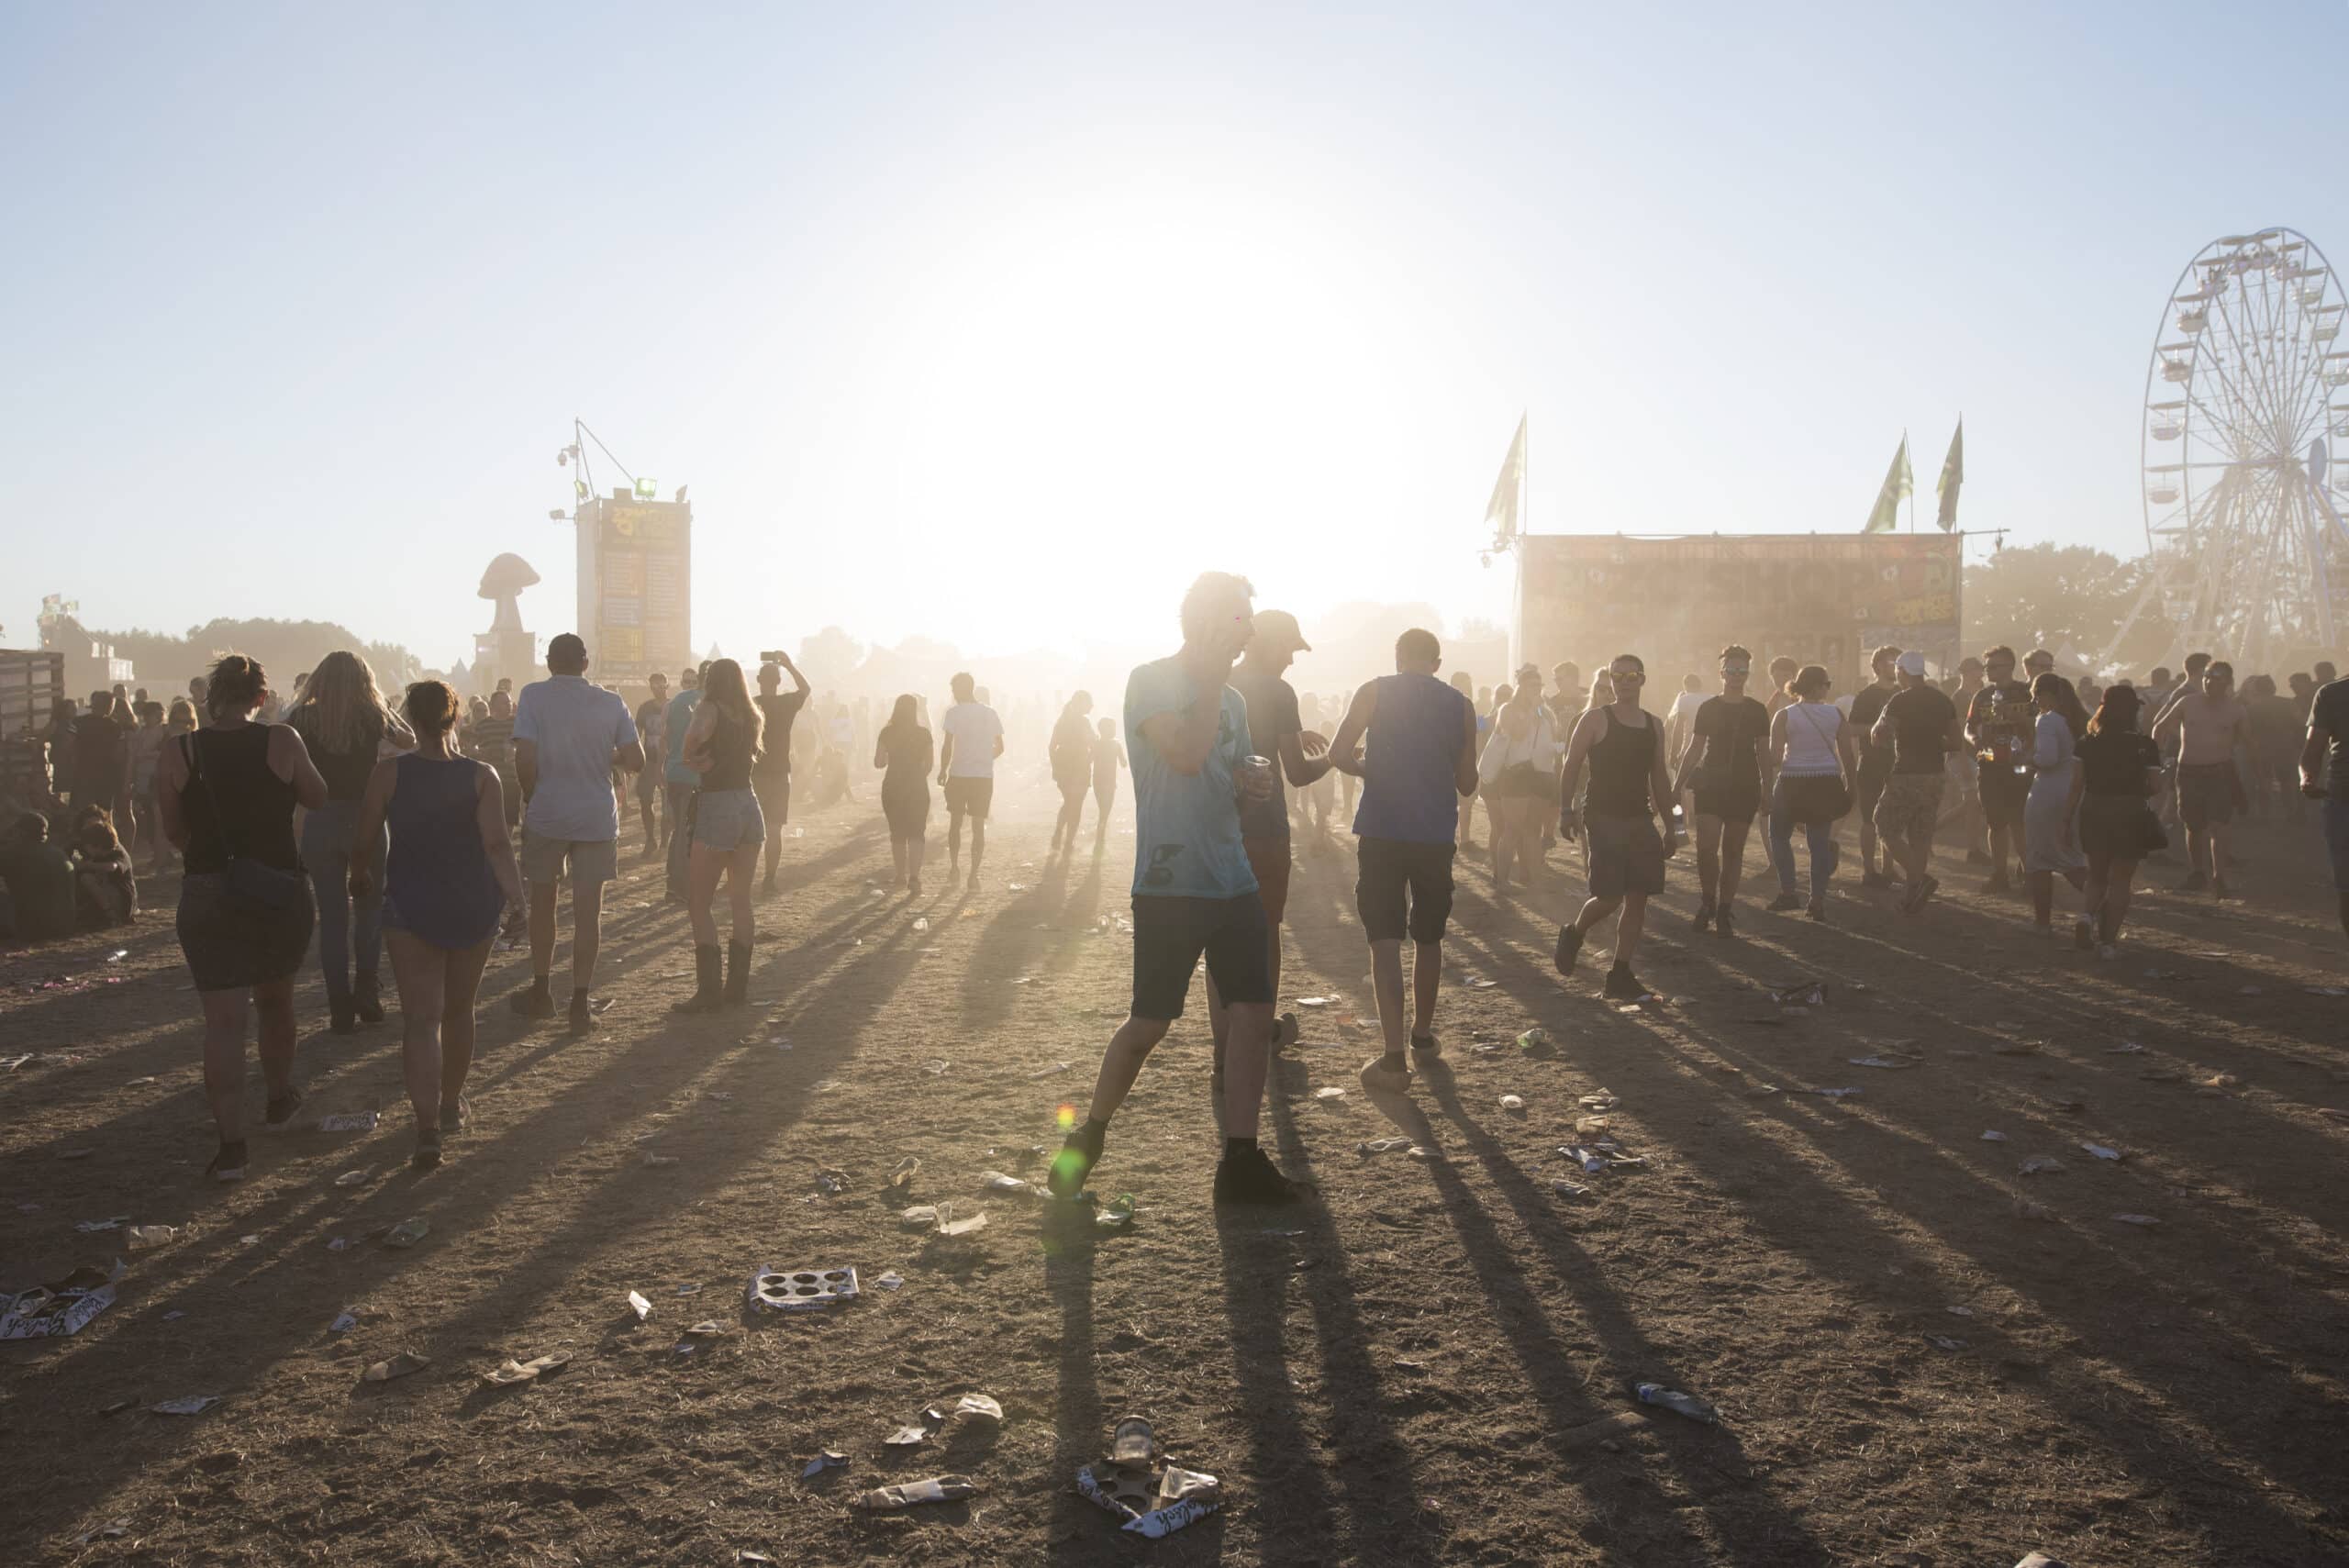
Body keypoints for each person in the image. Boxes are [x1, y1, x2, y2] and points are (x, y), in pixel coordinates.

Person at [1049, 572, 1303, 1207]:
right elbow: (1186, 754)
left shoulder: (1237, 703)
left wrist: (1251, 788)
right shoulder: (1151, 681)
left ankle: (1239, 1158)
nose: (1247, 630)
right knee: (1150, 1023)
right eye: (1238, 618)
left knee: (1253, 1011)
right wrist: (1214, 683)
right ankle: (1092, 1133)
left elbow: (1225, 774)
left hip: (1232, 876)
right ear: (1204, 621)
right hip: (1170, 881)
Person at [154, 654, 328, 1182]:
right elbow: (318, 797)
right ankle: (279, 1098)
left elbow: (172, 830)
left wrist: (208, 858)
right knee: (276, 1002)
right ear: (260, 697)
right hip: (276, 885)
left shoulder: (179, 750)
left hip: (208, 890)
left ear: (210, 696)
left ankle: (232, 1145)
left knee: (223, 1024)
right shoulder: (281, 741)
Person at [350, 681, 522, 1169]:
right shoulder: (481, 776)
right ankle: (450, 1104)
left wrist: (358, 874)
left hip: (410, 904)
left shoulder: (388, 775)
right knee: (461, 1010)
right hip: (473, 903)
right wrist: (518, 900)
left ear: (412, 721)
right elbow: (498, 845)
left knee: (421, 1020)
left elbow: (363, 838)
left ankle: (426, 1128)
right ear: (457, 718)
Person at [509, 634, 645, 1033]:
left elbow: (524, 756)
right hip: (595, 816)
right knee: (589, 913)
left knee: (543, 904)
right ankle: (581, 1002)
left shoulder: (533, 696)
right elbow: (636, 759)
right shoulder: (611, 702)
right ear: (586, 663)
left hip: (549, 812)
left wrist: (532, 796)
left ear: (550, 663)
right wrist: (606, 754)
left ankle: (541, 990)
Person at [1217, 609, 1335, 1063]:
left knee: (1222, 935)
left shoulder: (1222, 682)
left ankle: (1223, 1047)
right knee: (1266, 930)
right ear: (1267, 644)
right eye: (1288, 648)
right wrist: (1339, 757)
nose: (1291, 660)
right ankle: (1263, 1033)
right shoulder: (1279, 691)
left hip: (1219, 825)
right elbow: (1300, 773)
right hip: (1264, 826)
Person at [288, 651, 416, 1034]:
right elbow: (408, 740)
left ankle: (338, 1005)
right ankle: (367, 987)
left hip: (320, 818)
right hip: (367, 819)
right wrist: (380, 707)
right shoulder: (371, 714)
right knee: (370, 909)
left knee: (331, 919)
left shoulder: (303, 717)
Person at [1553, 653, 1678, 1000]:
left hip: (1640, 816)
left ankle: (1620, 973)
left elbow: (1660, 778)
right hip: (1602, 815)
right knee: (1610, 897)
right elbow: (1571, 765)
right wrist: (1565, 811)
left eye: (1631, 675)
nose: (1623, 681)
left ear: (1642, 679)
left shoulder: (1653, 725)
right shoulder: (1595, 719)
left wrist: (1673, 826)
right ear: (1610, 679)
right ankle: (1574, 933)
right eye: (1617, 675)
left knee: (1639, 897)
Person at [674, 658, 766, 1012]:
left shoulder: (708, 709)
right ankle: (737, 989)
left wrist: (700, 762)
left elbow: (688, 749)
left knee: (699, 902)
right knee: (741, 899)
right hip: (749, 804)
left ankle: (709, 991)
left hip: (717, 804)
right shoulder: (751, 714)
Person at [1675, 645, 1767, 934]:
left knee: (1733, 851)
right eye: (1732, 670)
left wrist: (1769, 789)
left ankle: (1725, 910)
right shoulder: (1709, 708)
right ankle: (1707, 901)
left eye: (1742, 671)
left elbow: (1764, 753)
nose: (1737, 675)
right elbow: (1694, 748)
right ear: (1722, 673)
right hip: (1711, 784)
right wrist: (1677, 785)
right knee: (1706, 848)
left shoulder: (1757, 710)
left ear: (1747, 674)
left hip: (1745, 784)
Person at [2071, 685, 2166, 956]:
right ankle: (2108, 943)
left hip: (2094, 809)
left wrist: (2066, 818)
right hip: (2130, 811)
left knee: (2097, 874)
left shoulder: (2087, 742)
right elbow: (2156, 786)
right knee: (2121, 880)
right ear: (2134, 711)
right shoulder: (2145, 745)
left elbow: (2076, 784)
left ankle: (2086, 917)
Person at [1764, 664, 1855, 919]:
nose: (1828, 689)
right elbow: (1848, 755)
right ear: (1817, 686)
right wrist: (1851, 786)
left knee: (1778, 835)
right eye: (1827, 684)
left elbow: (1774, 757)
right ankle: (1817, 901)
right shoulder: (1836, 714)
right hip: (1826, 780)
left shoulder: (1784, 715)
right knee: (1819, 844)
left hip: (1792, 779)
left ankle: (1788, 891)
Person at [1871, 651, 1961, 912]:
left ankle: (1919, 879)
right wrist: (1933, 742)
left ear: (1901, 672)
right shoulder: (1943, 701)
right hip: (1935, 775)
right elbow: (1955, 743)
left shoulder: (1899, 701)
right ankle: (1911, 897)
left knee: (1884, 826)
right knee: (1920, 836)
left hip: (1907, 772)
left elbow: (1880, 736)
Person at [2153, 658, 2249, 899]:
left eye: (2215, 678)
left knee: (2219, 825)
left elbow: (2248, 742)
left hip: (2220, 772)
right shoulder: (2188, 702)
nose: (2209, 682)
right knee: (2193, 825)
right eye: (2206, 676)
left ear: (2227, 682)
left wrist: (2252, 771)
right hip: (2189, 771)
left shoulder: (2236, 709)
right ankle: (2198, 873)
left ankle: (2219, 876)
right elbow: (2159, 727)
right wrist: (2158, 758)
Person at [2024, 670, 2090, 937]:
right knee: (2071, 855)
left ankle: (2042, 922)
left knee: (2040, 860)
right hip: (2075, 791)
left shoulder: (2048, 721)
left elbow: (2047, 758)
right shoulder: (2080, 719)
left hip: (2048, 792)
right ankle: (2101, 905)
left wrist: (2026, 758)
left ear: (2044, 695)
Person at [1477, 678, 1557, 894]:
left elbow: (1548, 738)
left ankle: (1534, 880)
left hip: (1541, 775)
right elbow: (1518, 734)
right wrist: (1531, 711)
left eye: (1538, 687)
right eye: (1531, 686)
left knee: (1533, 830)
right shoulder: (1506, 710)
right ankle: (1501, 879)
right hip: (1516, 775)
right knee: (1510, 829)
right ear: (1521, 688)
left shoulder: (1545, 713)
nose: (1536, 691)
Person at [937, 673, 1004, 887]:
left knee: (955, 824)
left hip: (958, 775)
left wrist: (943, 770)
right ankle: (973, 874)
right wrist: (983, 759)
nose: (953, 695)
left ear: (962, 689)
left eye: (955, 690)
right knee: (977, 826)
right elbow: (1000, 747)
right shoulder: (989, 713)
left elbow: (948, 745)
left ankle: (955, 867)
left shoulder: (954, 714)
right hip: (982, 777)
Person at [752, 657, 812, 892]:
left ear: (759, 680)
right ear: (778, 682)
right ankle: (769, 877)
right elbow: (805, 689)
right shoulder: (787, 704)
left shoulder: (751, 704)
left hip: (755, 771)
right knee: (775, 828)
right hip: (780, 773)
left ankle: (742, 875)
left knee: (750, 829)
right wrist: (788, 664)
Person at [1848, 645, 1902, 887]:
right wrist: (1878, 728)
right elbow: (1852, 728)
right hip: (1871, 764)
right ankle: (1869, 870)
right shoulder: (1866, 695)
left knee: (1893, 820)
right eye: (1892, 661)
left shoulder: (1905, 693)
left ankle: (1889, 868)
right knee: (1870, 820)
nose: (1895, 665)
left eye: (1899, 661)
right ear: (1878, 665)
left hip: (1900, 765)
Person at [874, 695, 933, 893]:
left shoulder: (887, 732)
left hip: (892, 786)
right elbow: (929, 765)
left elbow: (878, 762)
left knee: (897, 833)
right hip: (917, 787)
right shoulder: (924, 734)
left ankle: (900, 875)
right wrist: (916, 775)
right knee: (917, 832)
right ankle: (915, 877)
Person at [0, 811, 78, 941]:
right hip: (64, 925)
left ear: (19, 832)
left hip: (33, 928)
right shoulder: (59, 853)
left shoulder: (11, 853)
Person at [662, 664, 703, 900]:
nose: (688, 684)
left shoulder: (675, 703)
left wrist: (662, 768)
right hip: (692, 776)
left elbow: (665, 739)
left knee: (680, 830)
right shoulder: (708, 704)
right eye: (685, 680)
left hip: (676, 772)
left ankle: (674, 883)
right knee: (688, 832)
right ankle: (681, 885)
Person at [1049, 692, 1098, 857]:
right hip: (1079, 769)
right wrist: (1089, 760)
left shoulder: (1062, 721)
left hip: (1063, 769)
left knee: (1069, 802)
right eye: (1089, 703)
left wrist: (1055, 767)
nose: (1091, 706)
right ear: (1081, 704)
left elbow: (1051, 747)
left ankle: (1058, 833)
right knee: (1075, 806)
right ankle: (1068, 843)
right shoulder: (1083, 722)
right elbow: (1094, 744)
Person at [71, 806, 138, 928]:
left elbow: (113, 866)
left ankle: (109, 913)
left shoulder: (115, 849)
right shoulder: (82, 843)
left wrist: (87, 865)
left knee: (87, 878)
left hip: (121, 899)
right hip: (108, 894)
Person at [128, 700, 169, 871]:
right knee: (148, 817)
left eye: (150, 715)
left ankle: (163, 854)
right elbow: (135, 754)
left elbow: (164, 752)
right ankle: (157, 851)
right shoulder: (141, 732)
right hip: (142, 778)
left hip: (155, 776)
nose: (147, 718)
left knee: (157, 817)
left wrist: (148, 754)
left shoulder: (164, 731)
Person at [632, 672, 670, 855]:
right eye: (654, 686)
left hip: (668, 761)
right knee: (646, 801)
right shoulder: (644, 708)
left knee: (667, 804)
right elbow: (637, 735)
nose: (657, 689)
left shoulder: (674, 706)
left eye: (661, 685)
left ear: (667, 685)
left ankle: (664, 842)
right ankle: (650, 839)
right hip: (649, 761)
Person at [1089, 715, 1126, 851]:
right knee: (1105, 807)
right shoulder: (1115, 744)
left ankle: (1101, 828)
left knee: (1104, 807)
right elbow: (1124, 763)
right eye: (1112, 728)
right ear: (1103, 730)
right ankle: (1101, 830)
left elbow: (1089, 760)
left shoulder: (1099, 744)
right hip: (1106, 781)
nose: (1114, 730)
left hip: (1101, 780)